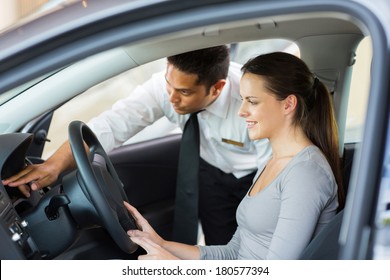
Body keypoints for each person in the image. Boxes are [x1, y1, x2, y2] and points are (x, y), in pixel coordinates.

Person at [1, 45, 271, 246]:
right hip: (211, 172)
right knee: (220, 244)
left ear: (217, 88)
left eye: (185, 92)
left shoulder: (252, 102)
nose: (171, 98)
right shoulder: (165, 89)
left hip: (258, 178)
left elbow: (273, 167)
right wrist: (52, 166)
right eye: (169, 83)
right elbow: (110, 125)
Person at [123, 51, 345, 260]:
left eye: (253, 101)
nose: (241, 111)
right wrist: (161, 244)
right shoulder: (272, 162)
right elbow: (233, 253)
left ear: (288, 104)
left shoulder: (306, 174)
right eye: (242, 100)